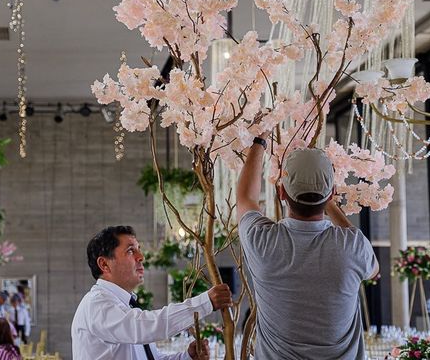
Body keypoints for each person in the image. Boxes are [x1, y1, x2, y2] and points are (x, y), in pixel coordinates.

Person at [236, 138, 379, 360]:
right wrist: (328, 203)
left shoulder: (262, 242)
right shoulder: (352, 246)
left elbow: (245, 198)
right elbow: (374, 270)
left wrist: (259, 141)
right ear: (331, 194)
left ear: (282, 193)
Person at [71, 225, 233, 360]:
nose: (141, 257)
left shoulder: (124, 305)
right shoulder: (97, 304)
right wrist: (205, 303)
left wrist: (187, 357)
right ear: (104, 264)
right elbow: (145, 327)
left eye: (138, 250)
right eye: (130, 251)